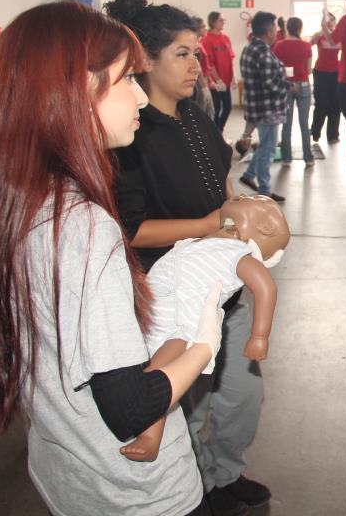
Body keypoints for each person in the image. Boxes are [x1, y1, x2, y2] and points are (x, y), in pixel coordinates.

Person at [0, 0, 220, 516]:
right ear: (78, 92)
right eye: (126, 79)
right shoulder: (83, 227)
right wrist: (203, 339)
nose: (139, 97)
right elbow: (130, 407)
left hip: (69, 473)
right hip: (135, 491)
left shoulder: (19, 196)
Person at [106, 0, 272, 515]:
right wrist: (207, 226)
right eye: (182, 53)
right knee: (183, 399)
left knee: (242, 395)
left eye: (197, 52)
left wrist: (241, 221)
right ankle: (193, 486)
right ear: (146, 61)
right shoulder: (131, 138)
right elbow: (132, 231)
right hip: (174, 293)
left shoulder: (196, 117)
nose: (196, 64)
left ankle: (224, 472)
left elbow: (222, 180)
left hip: (227, 274)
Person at [121, 195, 289, 463]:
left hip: (181, 321)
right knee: (146, 364)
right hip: (151, 303)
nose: (244, 197)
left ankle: (150, 434)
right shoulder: (210, 239)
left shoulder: (240, 255)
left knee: (164, 363)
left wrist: (260, 336)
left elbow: (265, 287)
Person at [237, 10, 290, 203]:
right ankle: (265, 191)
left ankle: (250, 175)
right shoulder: (264, 53)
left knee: (265, 146)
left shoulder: (250, 48)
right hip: (268, 110)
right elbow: (272, 85)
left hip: (256, 107)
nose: (276, 31)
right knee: (267, 149)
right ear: (268, 31)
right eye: (275, 28)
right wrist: (288, 86)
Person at [274, 16, 315, 166]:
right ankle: (309, 158)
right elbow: (309, 69)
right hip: (303, 84)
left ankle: (286, 159)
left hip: (286, 86)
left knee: (286, 124)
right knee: (304, 123)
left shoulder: (279, 46)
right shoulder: (306, 46)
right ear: (300, 29)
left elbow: (277, 69)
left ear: (287, 28)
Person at [309, 11, 342, 143]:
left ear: (335, 22)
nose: (330, 22)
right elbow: (308, 45)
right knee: (321, 104)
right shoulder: (319, 35)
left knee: (336, 104)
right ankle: (315, 132)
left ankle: (333, 135)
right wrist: (317, 35)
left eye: (332, 20)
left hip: (336, 72)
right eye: (327, 20)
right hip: (320, 72)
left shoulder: (338, 36)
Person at [201, 11, 235, 132]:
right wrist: (218, 80)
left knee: (228, 107)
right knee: (217, 107)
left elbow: (231, 58)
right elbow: (209, 64)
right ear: (213, 22)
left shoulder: (226, 38)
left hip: (226, 80)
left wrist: (233, 79)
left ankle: (220, 130)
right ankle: (216, 133)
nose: (223, 22)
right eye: (221, 20)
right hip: (215, 83)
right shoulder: (207, 39)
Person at [191, 16, 216, 120]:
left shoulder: (200, 43)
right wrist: (204, 87)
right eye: (203, 26)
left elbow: (206, 66)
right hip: (199, 82)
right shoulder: (195, 45)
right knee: (204, 111)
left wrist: (210, 81)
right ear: (197, 29)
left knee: (209, 110)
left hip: (204, 80)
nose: (206, 29)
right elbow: (198, 67)